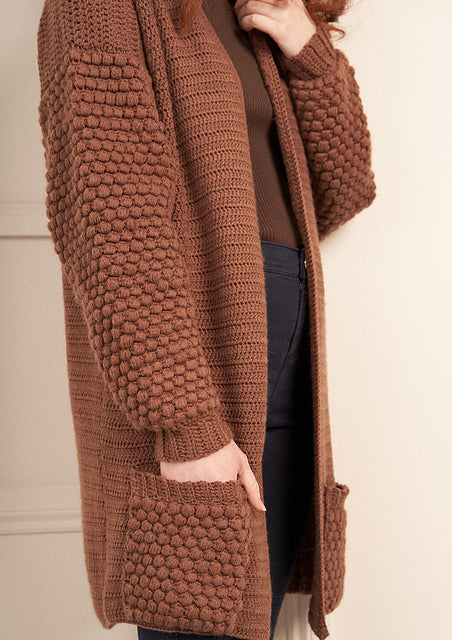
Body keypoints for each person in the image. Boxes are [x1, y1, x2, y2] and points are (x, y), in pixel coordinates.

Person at [36, 1, 376, 639]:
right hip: (195, 370)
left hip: (287, 366)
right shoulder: (99, 8)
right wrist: (185, 425)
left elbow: (343, 188)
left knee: (253, 623)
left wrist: (308, 53)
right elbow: (110, 224)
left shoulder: (259, 10)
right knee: (203, 617)